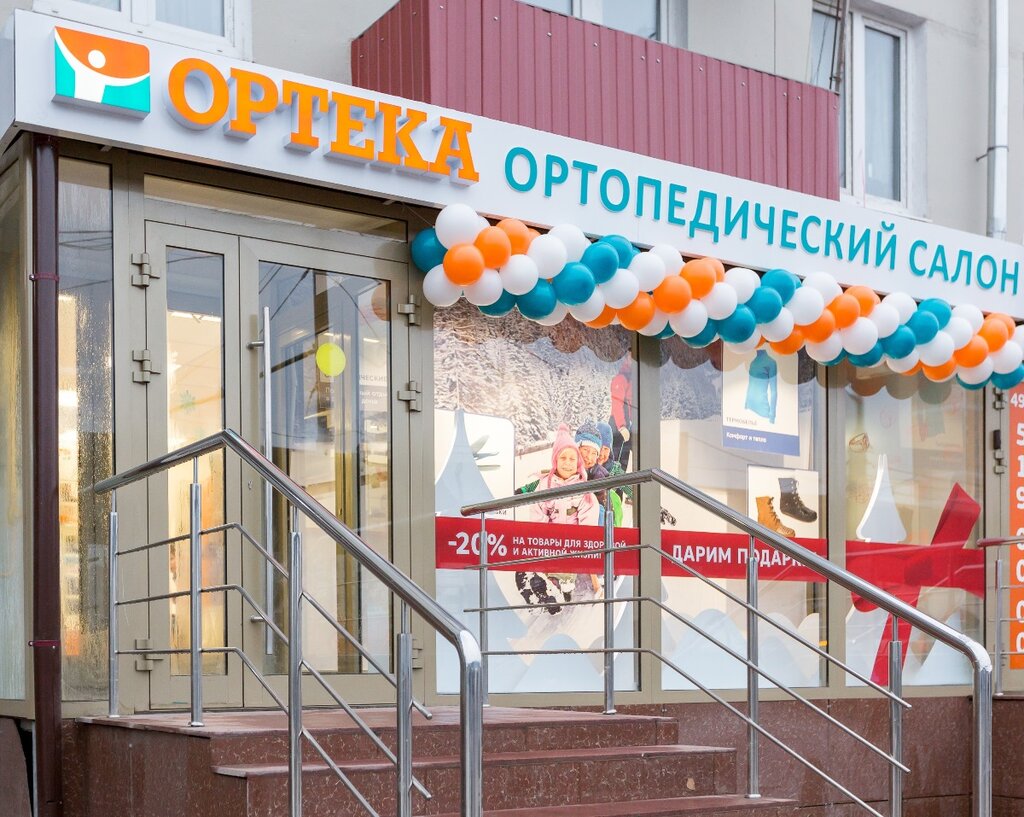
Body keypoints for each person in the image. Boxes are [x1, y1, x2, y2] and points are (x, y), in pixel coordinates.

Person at [609, 356, 635, 471]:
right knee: (616, 461)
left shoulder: (633, 378)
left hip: (627, 425)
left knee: (624, 460)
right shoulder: (621, 379)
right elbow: (617, 404)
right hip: (618, 426)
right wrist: (621, 426)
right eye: (631, 357)